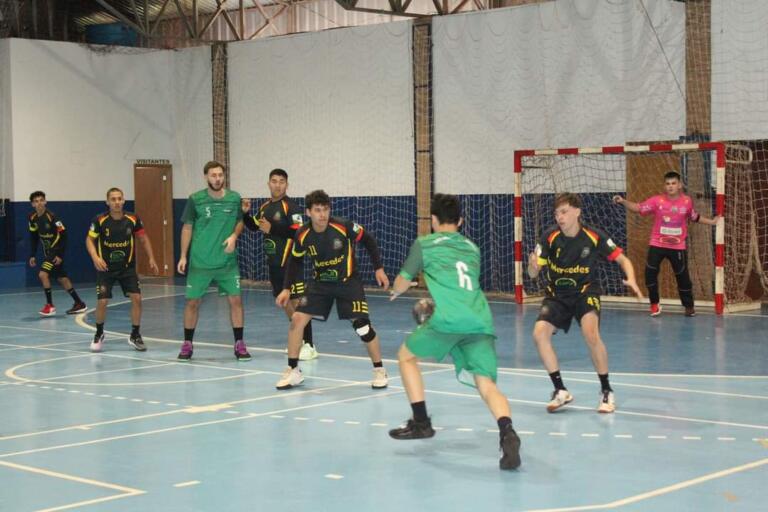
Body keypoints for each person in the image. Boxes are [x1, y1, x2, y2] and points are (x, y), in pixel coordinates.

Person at [388, 193, 521, 470]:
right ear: (460, 221)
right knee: (486, 384)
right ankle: (507, 431)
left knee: (405, 357)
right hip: (480, 319)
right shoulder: (472, 248)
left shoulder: (424, 244)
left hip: (448, 320)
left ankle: (421, 422)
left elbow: (403, 281)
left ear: (433, 221)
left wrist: (396, 291)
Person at [528, 193, 642, 414]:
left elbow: (622, 258)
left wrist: (632, 278)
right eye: (556, 213)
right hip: (557, 293)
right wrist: (533, 266)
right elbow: (533, 273)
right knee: (539, 334)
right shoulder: (549, 237)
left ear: (577, 212)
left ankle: (606, 390)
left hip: (585, 291)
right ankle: (560, 390)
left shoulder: (593, 235)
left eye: (564, 212)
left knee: (591, 333)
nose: (559, 217)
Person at [275, 189, 389, 390]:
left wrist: (378, 268)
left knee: (362, 326)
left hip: (348, 282)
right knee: (297, 320)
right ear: (308, 213)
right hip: (320, 285)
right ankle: (293, 371)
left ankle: (379, 370)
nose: (322, 214)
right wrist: (286, 289)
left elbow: (368, 239)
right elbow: (295, 261)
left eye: (325, 209)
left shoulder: (343, 226)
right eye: (317, 210)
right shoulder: (302, 234)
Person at [613, 171, 720, 317]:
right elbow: (639, 208)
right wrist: (623, 201)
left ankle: (689, 306)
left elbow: (694, 216)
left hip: (677, 247)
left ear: (679, 185)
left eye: (673, 183)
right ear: (665, 186)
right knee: (649, 274)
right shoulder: (657, 201)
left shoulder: (687, 201)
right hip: (657, 244)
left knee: (683, 278)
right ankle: (654, 304)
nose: (670, 186)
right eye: (668, 184)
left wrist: (712, 222)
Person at [176, 161, 250, 361]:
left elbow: (239, 222)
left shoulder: (234, 198)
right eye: (213, 175)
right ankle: (187, 344)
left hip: (227, 263)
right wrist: (183, 255)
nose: (217, 179)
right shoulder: (195, 199)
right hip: (200, 263)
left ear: (224, 176)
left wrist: (234, 236)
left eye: (220, 175)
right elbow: (187, 228)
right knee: (192, 302)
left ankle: (239, 343)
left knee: (236, 301)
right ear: (206, 177)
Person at [242, 168, 316, 360]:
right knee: (286, 304)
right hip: (273, 265)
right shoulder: (266, 206)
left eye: (281, 181)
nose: (277, 184)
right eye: (274, 181)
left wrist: (273, 228)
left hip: (291, 264)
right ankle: (297, 340)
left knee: (298, 303)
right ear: (268, 183)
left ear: (287, 185)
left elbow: (298, 233)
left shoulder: (291, 207)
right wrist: (245, 214)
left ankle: (309, 345)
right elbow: (254, 226)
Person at [86, 188, 158, 352]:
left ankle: (135, 334)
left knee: (137, 298)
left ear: (124, 200)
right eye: (113, 199)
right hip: (106, 269)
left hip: (127, 269)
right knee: (102, 301)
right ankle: (99, 333)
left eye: (119, 199)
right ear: (108, 202)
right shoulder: (99, 220)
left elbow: (143, 238)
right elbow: (89, 240)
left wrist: (151, 258)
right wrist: (95, 257)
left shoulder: (132, 219)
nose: (117, 202)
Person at [27, 191, 87, 316]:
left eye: (41, 200)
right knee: (62, 278)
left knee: (43, 274)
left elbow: (64, 235)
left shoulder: (53, 217)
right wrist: (32, 254)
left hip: (56, 251)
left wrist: (60, 255)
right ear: (32, 204)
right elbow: (34, 236)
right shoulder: (32, 218)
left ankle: (50, 306)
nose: (39, 203)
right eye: (36, 201)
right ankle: (79, 303)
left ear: (45, 202)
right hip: (47, 252)